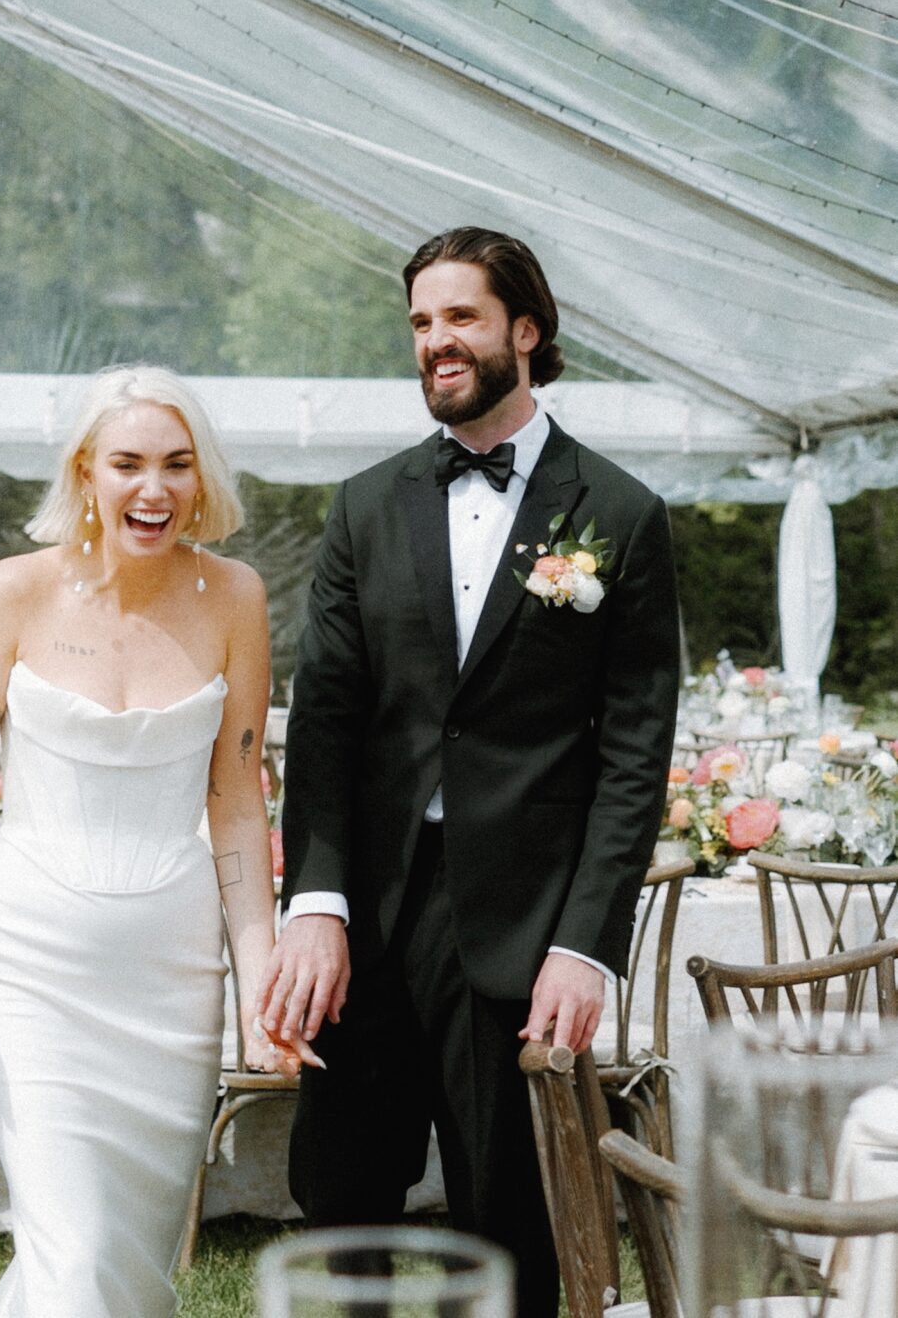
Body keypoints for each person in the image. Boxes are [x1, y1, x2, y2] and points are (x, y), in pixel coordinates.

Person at [260, 227, 680, 1318]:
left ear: (524, 331)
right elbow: (327, 719)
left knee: (508, 1216)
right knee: (341, 1195)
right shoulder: (363, 503)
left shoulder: (620, 513)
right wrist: (313, 899)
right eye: (419, 322)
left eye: (460, 317)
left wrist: (586, 940)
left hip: (521, 918)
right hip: (369, 912)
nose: (434, 341)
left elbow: (635, 753)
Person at [0, 364, 303, 1317]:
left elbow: (238, 803)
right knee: (75, 1251)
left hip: (172, 982)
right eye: (127, 463)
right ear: (86, 471)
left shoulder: (236, 596)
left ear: (202, 479)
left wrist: (258, 985)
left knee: (123, 1264)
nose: (152, 488)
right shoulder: (15, 591)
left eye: (176, 464)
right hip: (29, 965)